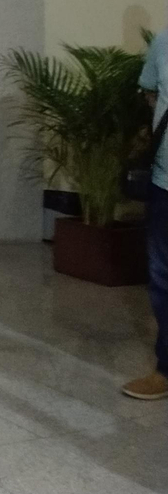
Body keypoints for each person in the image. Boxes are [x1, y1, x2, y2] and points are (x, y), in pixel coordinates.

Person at [126, 29, 168, 399]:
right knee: (162, 280)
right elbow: (152, 95)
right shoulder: (164, 41)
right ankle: (165, 370)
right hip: (165, 181)